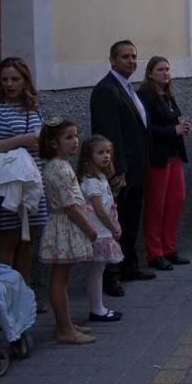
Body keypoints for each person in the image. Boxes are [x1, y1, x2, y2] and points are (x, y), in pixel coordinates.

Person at [90, 40, 153, 295]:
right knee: (113, 224)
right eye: (125, 56)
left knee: (129, 220)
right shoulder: (106, 90)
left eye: (134, 56)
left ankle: (129, 266)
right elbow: (109, 134)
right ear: (112, 60)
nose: (131, 61)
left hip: (136, 168)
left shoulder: (128, 88)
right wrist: (117, 171)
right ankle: (110, 276)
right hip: (120, 171)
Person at [0, 57, 47, 286]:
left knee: (28, 242)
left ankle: (25, 298)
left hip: (32, 182)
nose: (9, 84)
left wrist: (42, 145)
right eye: (4, 79)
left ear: (25, 81)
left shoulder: (33, 106)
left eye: (15, 79)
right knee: (7, 245)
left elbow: (42, 140)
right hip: (7, 184)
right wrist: (20, 140)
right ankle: (7, 303)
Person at [38, 119, 97, 344]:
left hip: (65, 224)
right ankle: (63, 328)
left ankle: (66, 323)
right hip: (65, 225)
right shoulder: (59, 168)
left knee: (64, 279)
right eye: (68, 137)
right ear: (54, 143)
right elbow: (70, 206)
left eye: (75, 136)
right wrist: (89, 229)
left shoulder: (61, 165)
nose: (75, 141)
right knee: (60, 279)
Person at [137, 57, 191, 271]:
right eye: (160, 69)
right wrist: (173, 131)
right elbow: (146, 130)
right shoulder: (145, 96)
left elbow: (172, 121)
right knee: (155, 206)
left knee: (176, 202)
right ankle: (155, 253)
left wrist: (181, 127)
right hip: (157, 158)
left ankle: (170, 248)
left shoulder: (168, 96)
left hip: (174, 155)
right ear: (150, 73)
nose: (165, 73)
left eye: (168, 69)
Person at [77, 135, 124, 322]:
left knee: (98, 272)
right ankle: (97, 309)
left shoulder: (101, 178)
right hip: (99, 232)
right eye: (100, 152)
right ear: (89, 156)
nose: (106, 156)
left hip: (103, 231)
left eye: (108, 152)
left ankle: (99, 307)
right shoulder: (90, 182)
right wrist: (113, 228)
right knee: (95, 273)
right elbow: (99, 210)